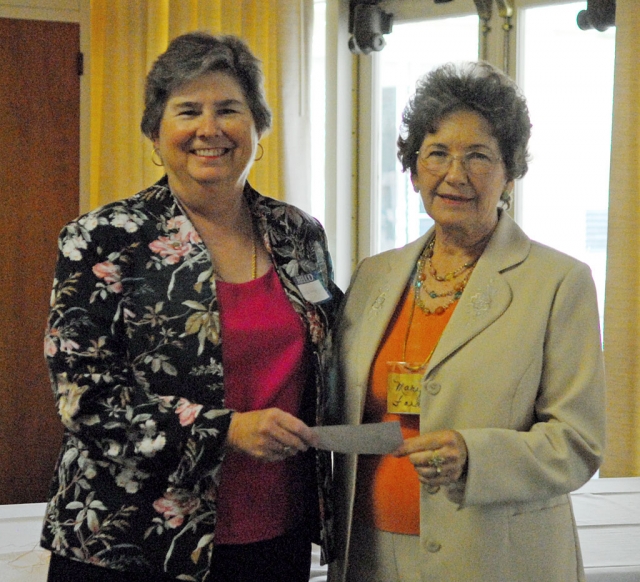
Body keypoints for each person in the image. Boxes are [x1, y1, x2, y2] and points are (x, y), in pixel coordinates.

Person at [41, 32, 341, 582]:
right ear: (155, 133)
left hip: (276, 532)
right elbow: (84, 398)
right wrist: (225, 429)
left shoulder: (298, 234)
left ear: (257, 127)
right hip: (131, 542)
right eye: (188, 111)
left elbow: (334, 357)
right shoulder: (104, 239)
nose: (210, 129)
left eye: (229, 109)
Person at [328, 61, 605, 582]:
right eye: (437, 154)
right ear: (413, 170)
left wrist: (475, 455)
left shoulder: (558, 281)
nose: (455, 174)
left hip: (495, 557)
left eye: (478, 156)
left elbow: (578, 443)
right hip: (368, 551)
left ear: (510, 171)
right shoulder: (373, 276)